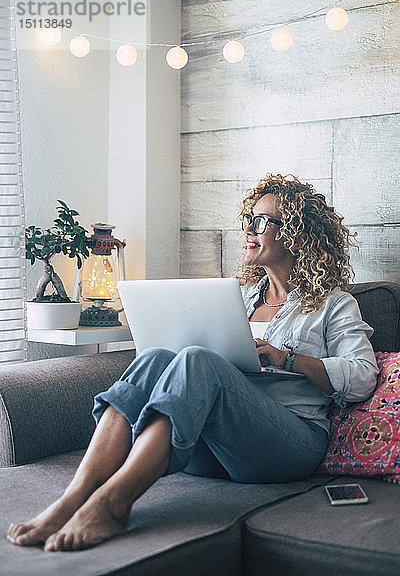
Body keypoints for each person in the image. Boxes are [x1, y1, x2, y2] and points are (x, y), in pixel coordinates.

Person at [7, 173, 379, 552]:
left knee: (199, 361)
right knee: (155, 358)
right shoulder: (242, 297)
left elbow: (364, 376)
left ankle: (112, 503)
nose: (248, 228)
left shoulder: (333, 304)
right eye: (248, 218)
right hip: (212, 445)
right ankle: (75, 497)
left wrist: (284, 357)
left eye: (262, 221)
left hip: (288, 445)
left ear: (296, 235)